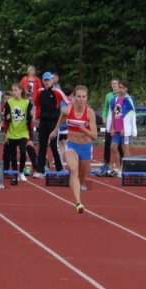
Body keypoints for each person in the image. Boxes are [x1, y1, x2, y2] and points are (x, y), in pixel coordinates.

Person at [50, 85, 97, 214]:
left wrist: (84, 130)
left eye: (83, 97)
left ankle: (77, 184)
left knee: (82, 177)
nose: (81, 99)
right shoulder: (67, 110)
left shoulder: (89, 113)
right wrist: (55, 131)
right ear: (73, 97)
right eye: (78, 97)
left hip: (86, 147)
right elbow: (62, 117)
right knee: (72, 168)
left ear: (86, 98)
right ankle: (78, 202)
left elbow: (95, 137)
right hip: (72, 145)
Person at [33, 71, 68, 175]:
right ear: (43, 81)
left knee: (53, 145)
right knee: (42, 145)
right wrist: (36, 117)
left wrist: (66, 114)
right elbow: (36, 105)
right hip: (43, 121)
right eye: (45, 80)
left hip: (54, 121)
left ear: (52, 80)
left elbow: (68, 102)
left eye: (49, 80)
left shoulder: (58, 91)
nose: (47, 82)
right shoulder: (39, 92)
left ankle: (59, 169)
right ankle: (40, 170)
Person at [2, 83, 34, 181]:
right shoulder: (9, 102)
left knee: (23, 152)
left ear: (20, 90)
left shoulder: (27, 102)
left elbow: (30, 116)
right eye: (13, 90)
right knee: (13, 155)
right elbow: (6, 116)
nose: (14, 92)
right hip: (12, 132)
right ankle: (15, 173)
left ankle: (21, 172)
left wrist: (31, 116)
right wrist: (6, 117)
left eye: (16, 90)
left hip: (23, 132)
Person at [106, 80, 137, 176]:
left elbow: (130, 115)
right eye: (120, 87)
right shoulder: (114, 99)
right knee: (113, 147)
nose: (121, 89)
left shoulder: (128, 99)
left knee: (125, 148)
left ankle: (127, 169)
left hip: (125, 130)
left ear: (126, 88)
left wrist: (125, 129)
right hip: (116, 128)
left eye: (123, 87)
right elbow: (112, 114)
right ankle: (118, 168)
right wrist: (112, 128)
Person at [101, 78, 121, 171]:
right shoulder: (108, 95)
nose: (114, 85)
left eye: (116, 83)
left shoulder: (122, 95)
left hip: (119, 123)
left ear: (119, 85)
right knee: (107, 142)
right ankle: (106, 163)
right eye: (112, 83)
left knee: (119, 144)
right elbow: (105, 108)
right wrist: (104, 117)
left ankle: (120, 163)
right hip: (109, 122)